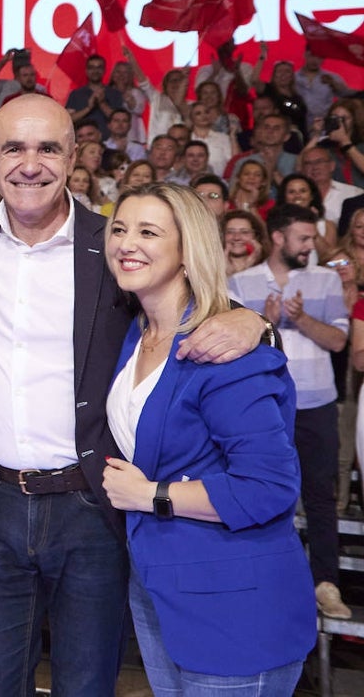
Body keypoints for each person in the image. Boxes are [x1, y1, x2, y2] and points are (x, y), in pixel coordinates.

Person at [0, 94, 266, 697]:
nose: (29, 164)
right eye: (14, 147)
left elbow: (185, 289)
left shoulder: (112, 245)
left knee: (86, 683)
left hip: (90, 502)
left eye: (48, 148)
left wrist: (254, 323)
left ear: (73, 157)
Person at [101, 182, 315, 695]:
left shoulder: (226, 347)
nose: (127, 243)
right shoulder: (137, 331)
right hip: (159, 592)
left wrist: (150, 496)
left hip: (234, 607)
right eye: (119, 229)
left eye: (148, 232)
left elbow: (269, 487)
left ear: (186, 250)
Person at [229, 203, 353, 620]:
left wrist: (301, 320)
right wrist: (266, 322)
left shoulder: (326, 279)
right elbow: (229, 347)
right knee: (260, 495)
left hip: (316, 405)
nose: (310, 245)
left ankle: (326, 584)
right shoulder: (240, 282)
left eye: (312, 237)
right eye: (303, 237)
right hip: (261, 406)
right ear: (278, 238)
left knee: (319, 498)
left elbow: (338, 342)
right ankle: (263, 583)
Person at [279, 172, 338, 263]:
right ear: (284, 197)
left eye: (303, 191)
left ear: (311, 196)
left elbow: (329, 259)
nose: (297, 195)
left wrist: (312, 225)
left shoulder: (327, 225)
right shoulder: (277, 225)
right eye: (292, 192)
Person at [222, 209, 269, 277]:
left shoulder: (267, 270)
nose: (237, 237)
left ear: (256, 237)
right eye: (230, 232)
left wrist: (247, 267)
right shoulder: (210, 267)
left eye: (244, 232)